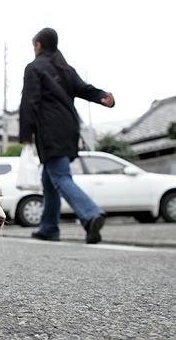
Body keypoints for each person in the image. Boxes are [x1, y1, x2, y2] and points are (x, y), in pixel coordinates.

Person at [19, 27, 115, 244]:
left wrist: (25, 133)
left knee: (60, 177)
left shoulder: (34, 67)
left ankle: (90, 215)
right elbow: (84, 89)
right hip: (69, 128)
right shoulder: (65, 68)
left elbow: (29, 102)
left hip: (50, 131)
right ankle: (49, 228)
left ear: (38, 45)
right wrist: (103, 97)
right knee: (49, 179)